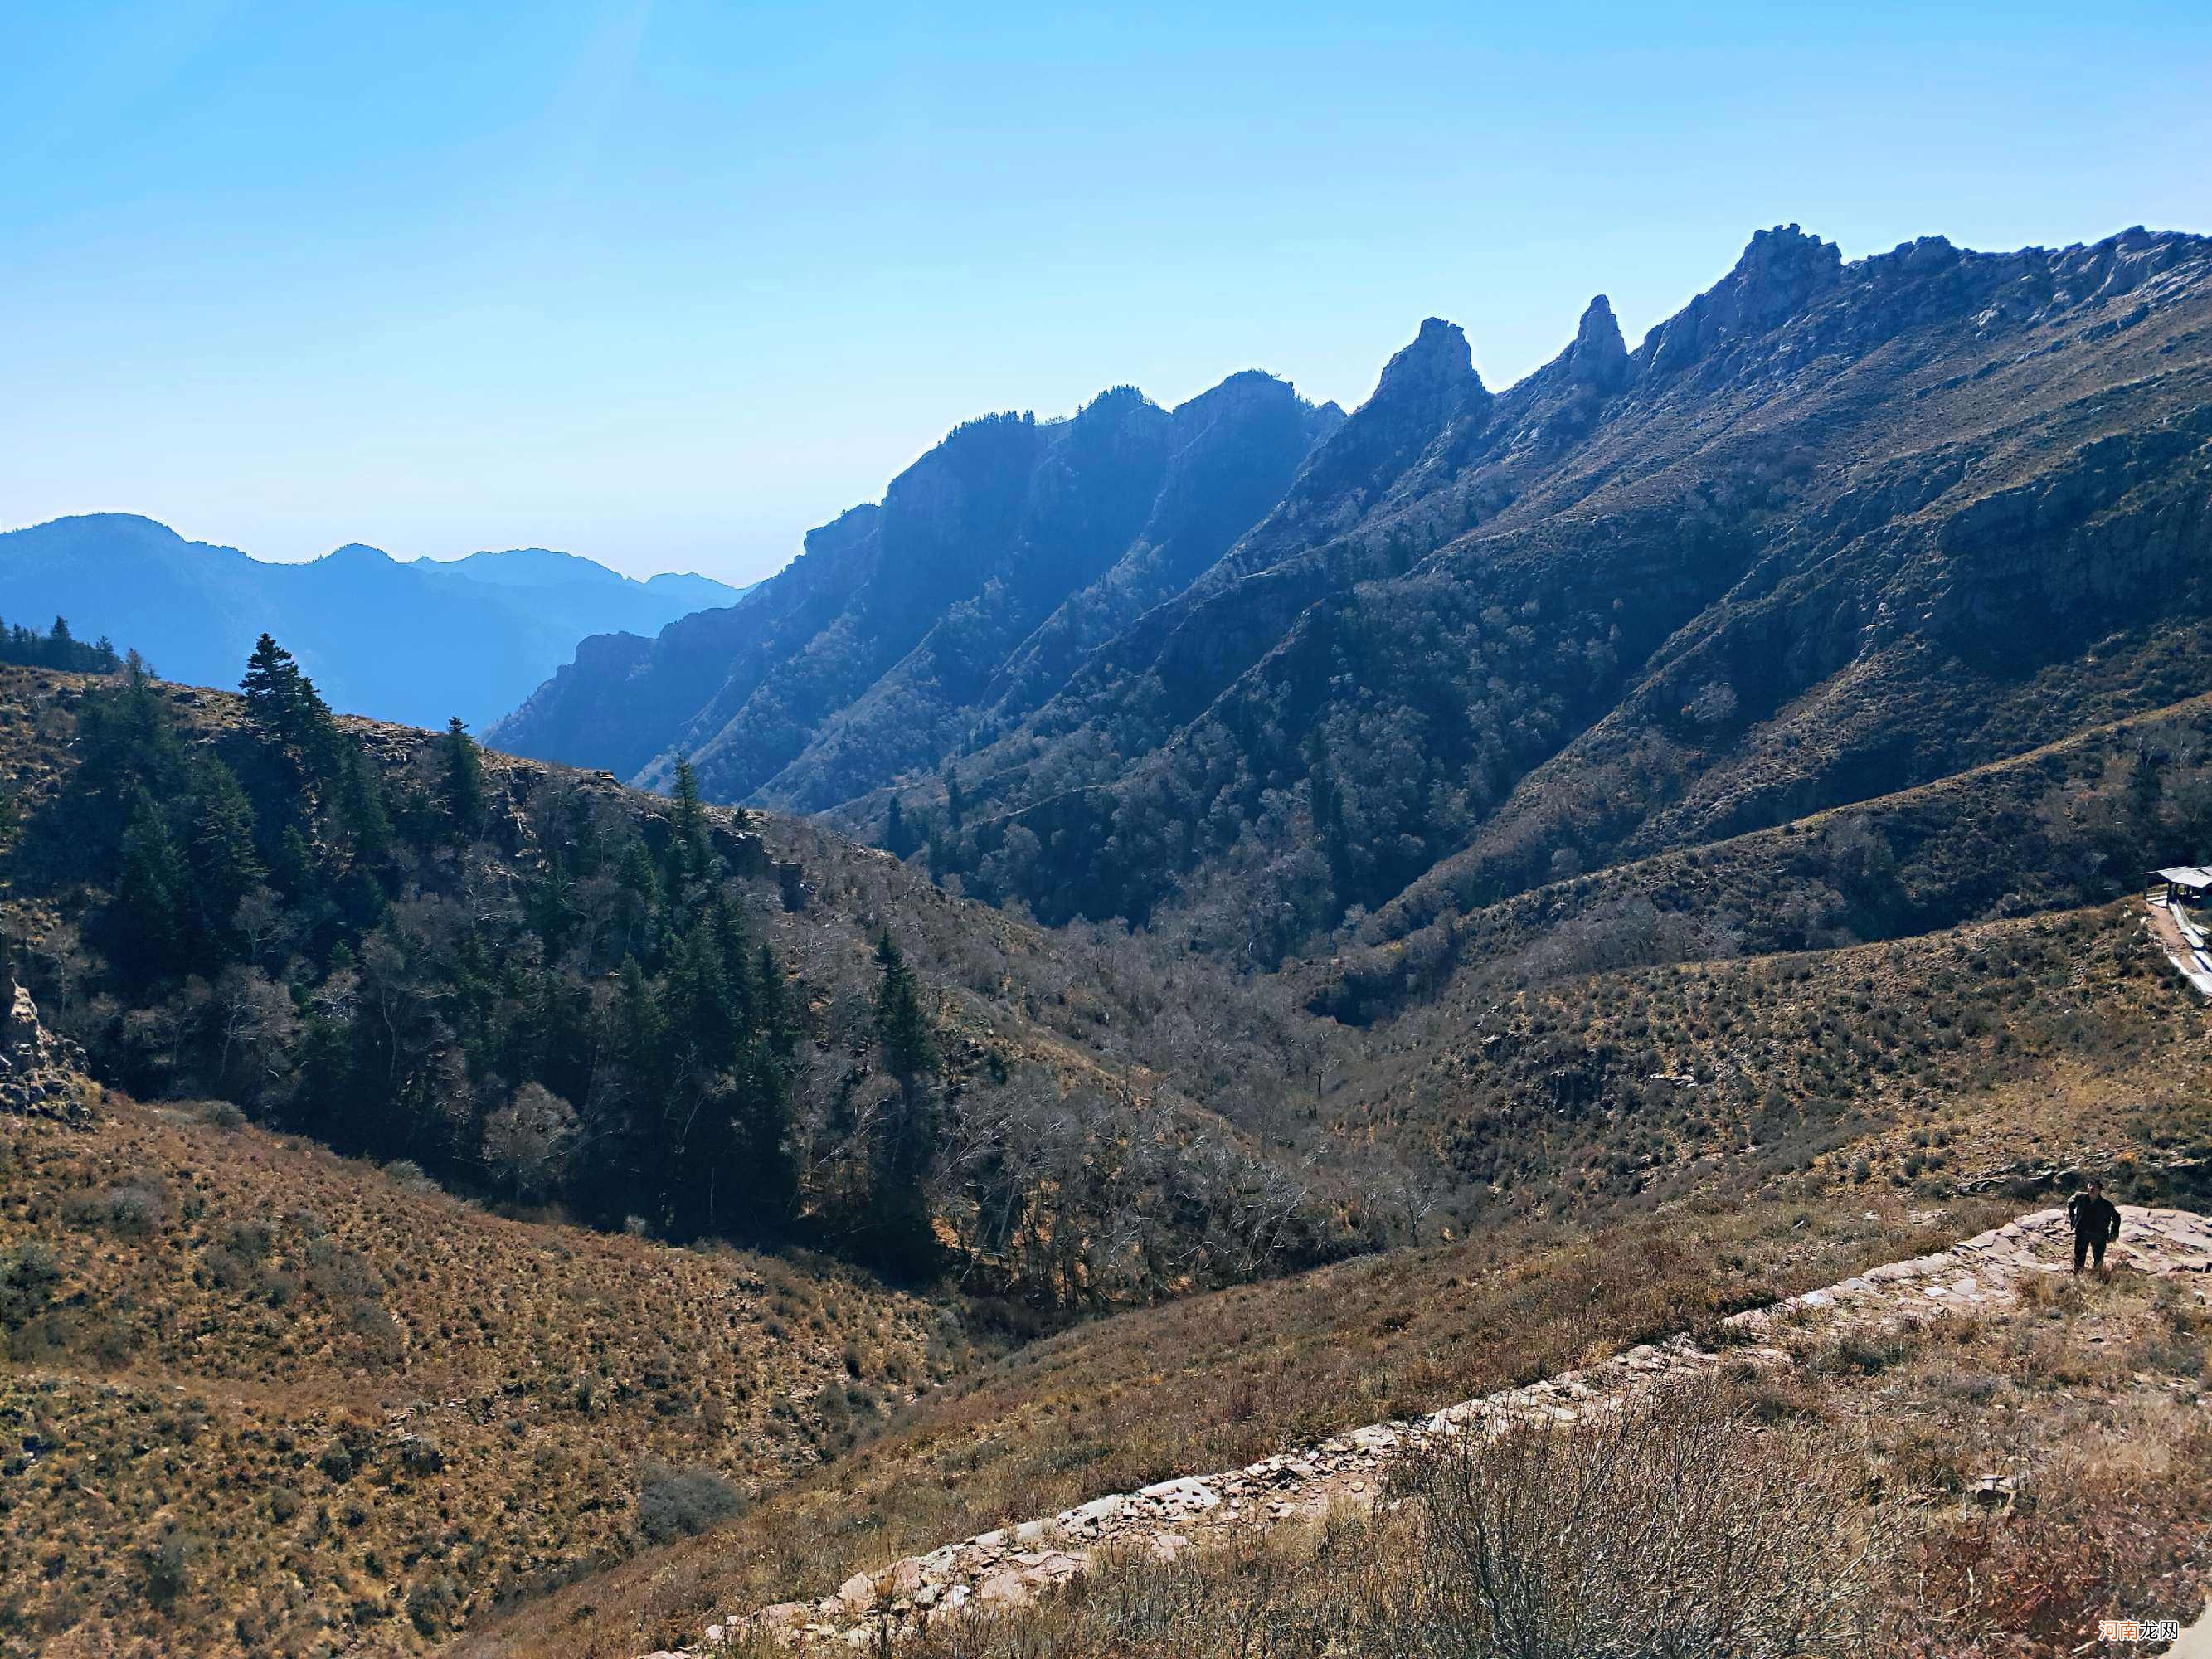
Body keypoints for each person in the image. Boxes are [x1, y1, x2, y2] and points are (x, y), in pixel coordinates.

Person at [2067, 1180, 2122, 1277]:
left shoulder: (2106, 1205)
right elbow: (2071, 1201)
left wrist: (2114, 1233)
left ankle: (2098, 1279)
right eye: (2090, 1185)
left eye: (2095, 1186)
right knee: (2079, 1258)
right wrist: (2072, 1219)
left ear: (2100, 1190)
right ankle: (2077, 1277)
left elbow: (2117, 1217)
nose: (2091, 1188)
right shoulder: (2081, 1198)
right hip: (2082, 1233)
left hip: (2099, 1235)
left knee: (2098, 1260)